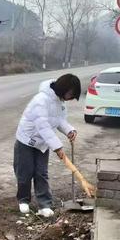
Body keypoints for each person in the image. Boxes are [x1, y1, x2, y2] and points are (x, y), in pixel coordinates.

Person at [14, 73, 81, 218]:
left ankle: (44, 204)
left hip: (43, 142)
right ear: (64, 88)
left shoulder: (60, 103)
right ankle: (23, 200)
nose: (70, 97)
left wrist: (70, 130)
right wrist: (57, 147)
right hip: (27, 139)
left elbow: (60, 121)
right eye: (70, 93)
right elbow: (42, 125)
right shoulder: (41, 100)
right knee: (25, 171)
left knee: (41, 173)